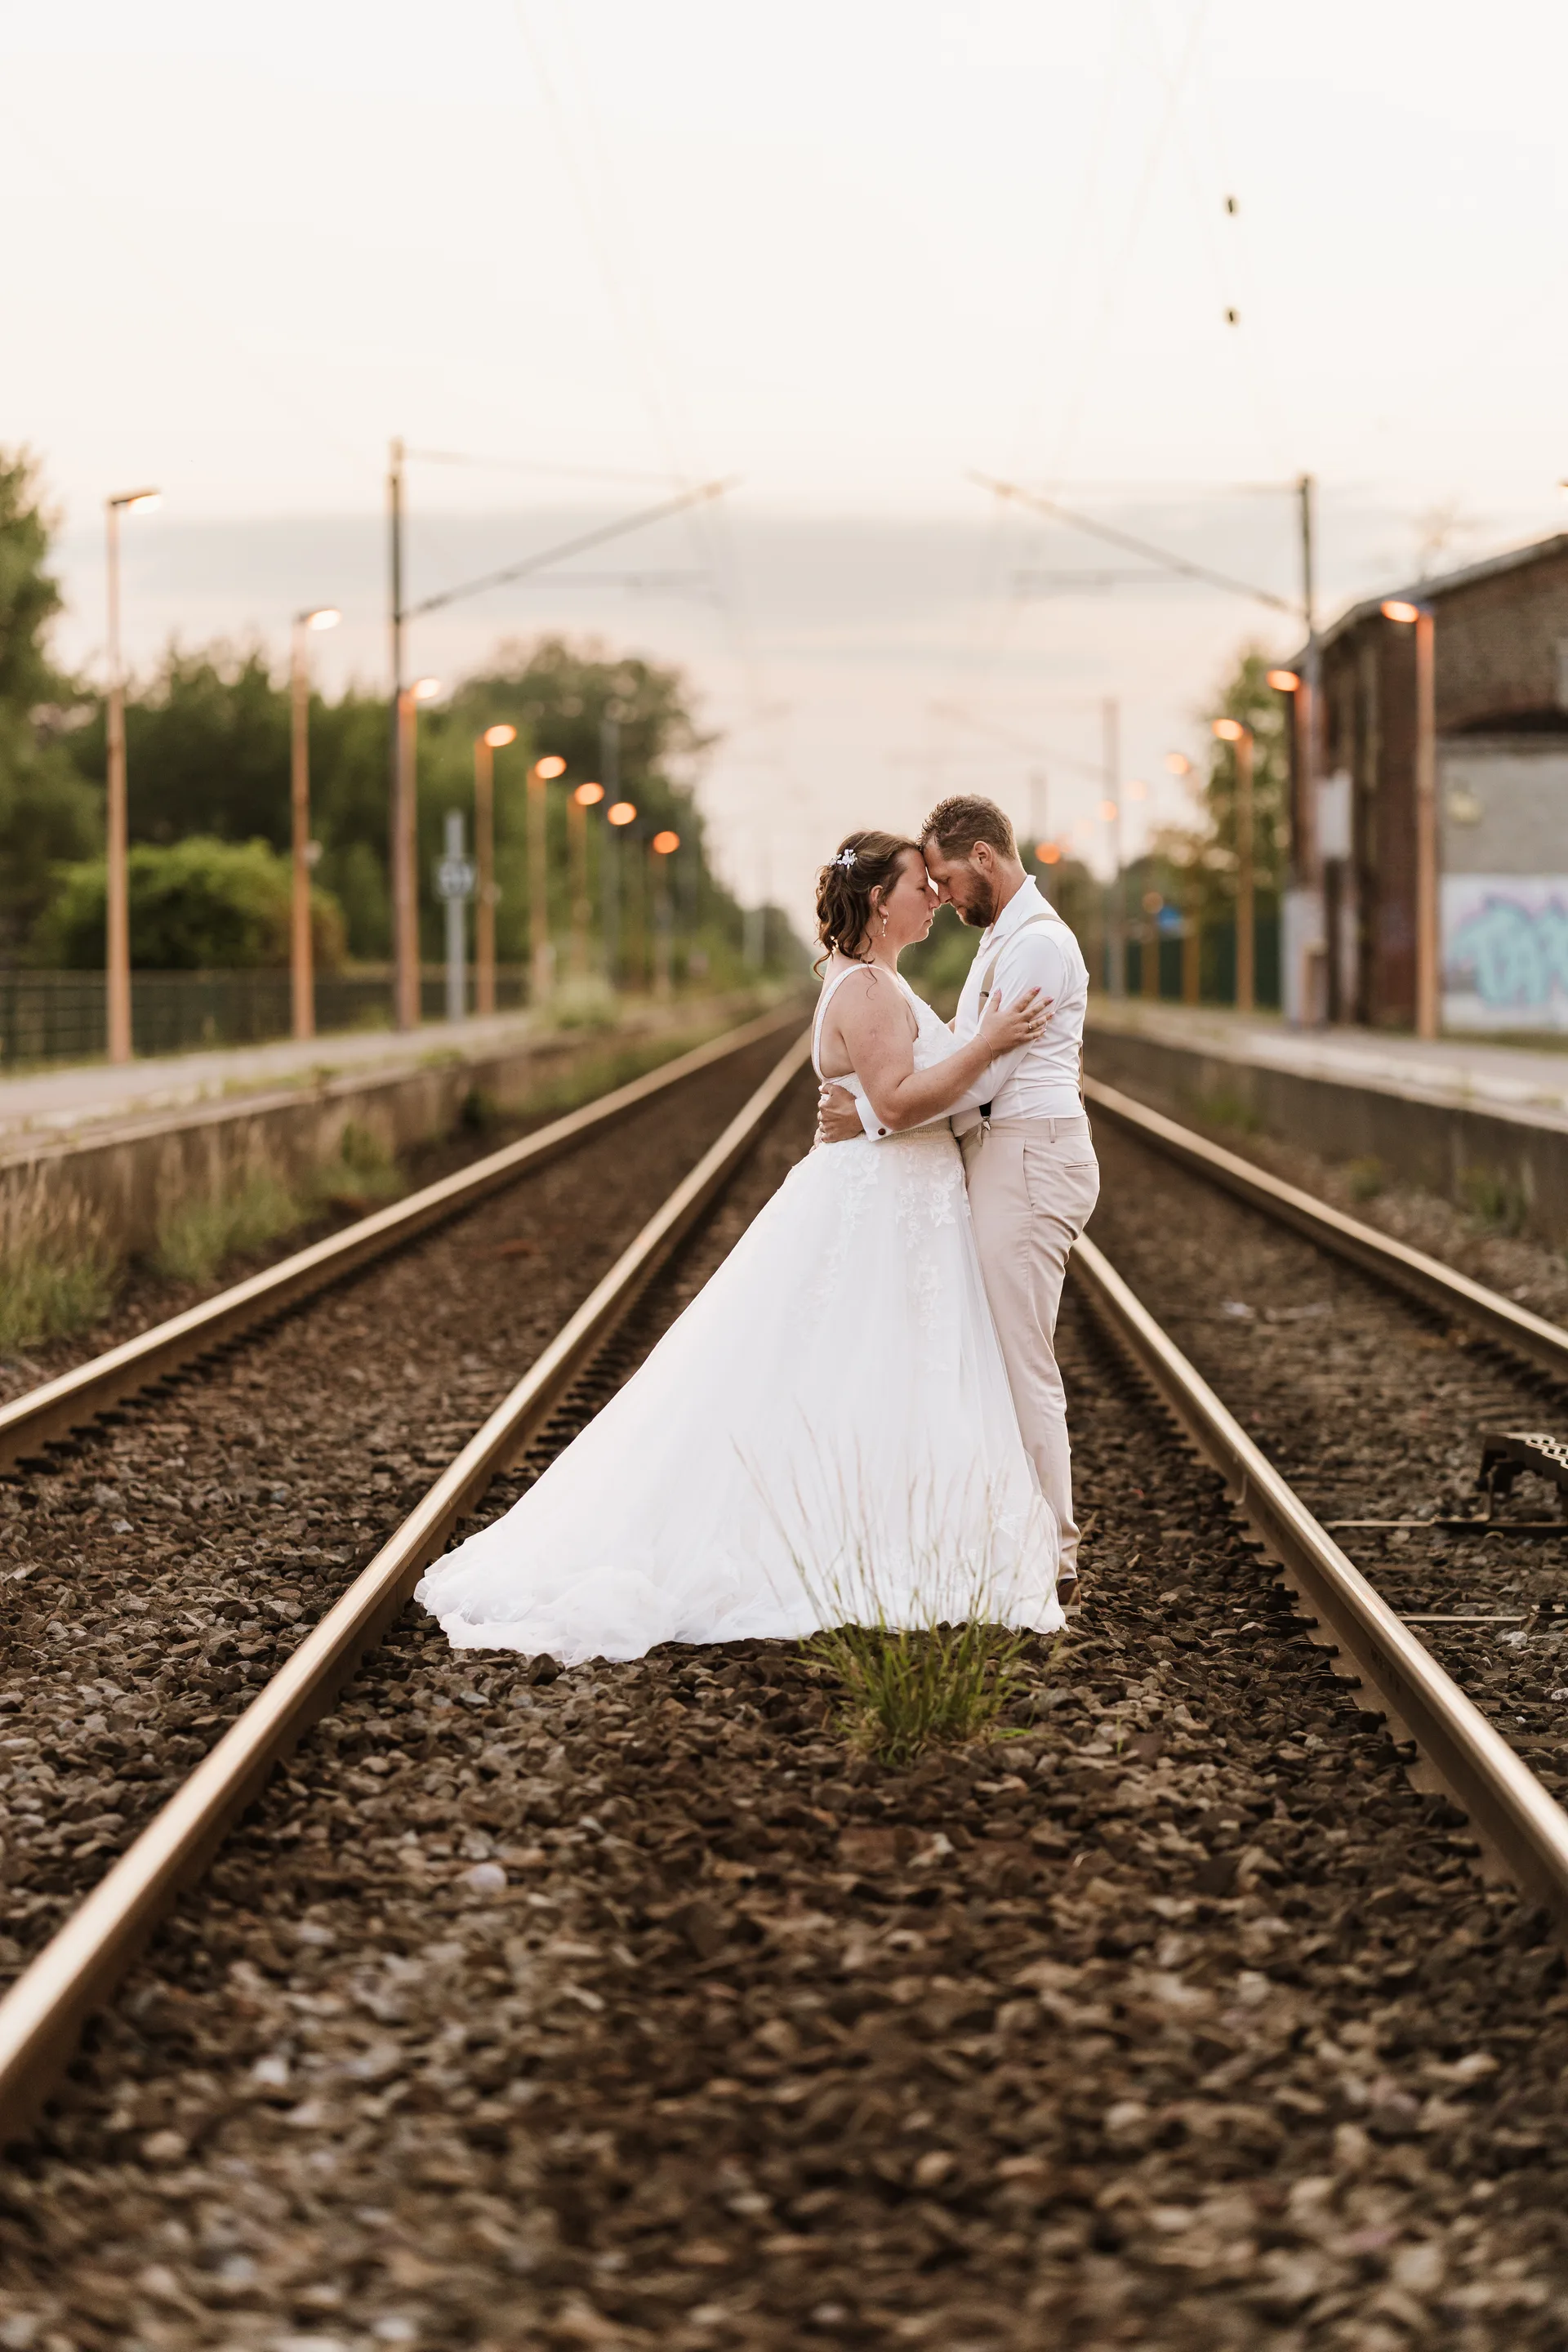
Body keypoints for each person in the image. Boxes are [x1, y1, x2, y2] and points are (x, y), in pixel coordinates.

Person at [414, 829, 1066, 1667]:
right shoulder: (867, 987)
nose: (935, 898)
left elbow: (884, 1104)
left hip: (898, 1206)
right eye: (919, 886)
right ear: (879, 900)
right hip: (884, 1207)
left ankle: (898, 1536)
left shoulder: (873, 979)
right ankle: (863, 1551)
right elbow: (899, 1104)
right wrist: (991, 1042)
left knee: (880, 1376)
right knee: (868, 1371)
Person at [816, 796, 1098, 1606]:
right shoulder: (1002, 943)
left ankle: (1052, 1554)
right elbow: (968, 1058)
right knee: (996, 1356)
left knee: (1018, 1361)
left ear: (982, 858)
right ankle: (1007, 1535)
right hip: (1005, 1151)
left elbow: (990, 1075)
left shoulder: (1037, 945)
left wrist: (873, 1111)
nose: (940, 895)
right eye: (925, 883)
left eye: (943, 877)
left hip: (1029, 1152)